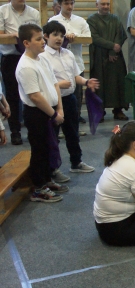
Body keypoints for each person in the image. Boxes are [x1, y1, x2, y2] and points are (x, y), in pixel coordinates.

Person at [15, 23, 67, 202]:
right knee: (39, 150)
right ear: (26, 43)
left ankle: (46, 179)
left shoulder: (42, 59)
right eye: (38, 39)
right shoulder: (26, 66)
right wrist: (53, 114)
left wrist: (59, 108)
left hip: (50, 111)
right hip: (37, 114)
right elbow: (35, 97)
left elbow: (54, 84)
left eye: (42, 38)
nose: (43, 42)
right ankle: (38, 188)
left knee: (49, 148)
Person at [40, 21, 98, 181]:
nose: (59, 38)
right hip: (52, 102)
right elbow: (42, 84)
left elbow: (75, 76)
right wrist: (59, 84)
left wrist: (86, 82)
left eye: (61, 35)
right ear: (46, 36)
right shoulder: (42, 57)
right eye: (55, 35)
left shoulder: (68, 54)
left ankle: (76, 162)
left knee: (72, 132)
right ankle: (53, 168)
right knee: (53, 136)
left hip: (69, 99)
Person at [0, 0, 41, 145]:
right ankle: (15, 131)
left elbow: (38, 35)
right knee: (12, 96)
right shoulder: (2, 11)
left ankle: (33, 130)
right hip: (10, 57)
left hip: (30, 57)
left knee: (32, 93)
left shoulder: (33, 13)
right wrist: (15, 35)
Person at [49, 0, 92, 123]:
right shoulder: (53, 21)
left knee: (77, 95)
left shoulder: (80, 21)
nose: (69, 6)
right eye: (66, 3)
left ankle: (75, 118)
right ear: (59, 4)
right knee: (59, 94)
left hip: (76, 62)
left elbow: (88, 39)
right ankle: (59, 119)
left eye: (71, 3)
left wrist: (75, 36)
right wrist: (65, 37)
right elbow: (48, 40)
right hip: (56, 64)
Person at [87, 0, 129, 121]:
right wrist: (112, 46)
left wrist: (113, 51)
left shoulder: (115, 19)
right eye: (103, 4)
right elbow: (94, 37)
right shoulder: (92, 20)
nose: (105, 6)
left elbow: (120, 35)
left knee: (118, 83)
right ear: (97, 5)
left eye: (107, 4)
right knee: (100, 84)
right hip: (99, 57)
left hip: (115, 57)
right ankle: (99, 111)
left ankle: (118, 110)